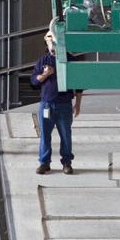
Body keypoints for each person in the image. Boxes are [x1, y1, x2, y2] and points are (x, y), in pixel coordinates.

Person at [29, 31, 82, 175]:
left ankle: (66, 162)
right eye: (50, 44)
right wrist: (46, 74)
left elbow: (79, 83)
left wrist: (77, 104)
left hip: (64, 104)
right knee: (45, 135)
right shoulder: (43, 61)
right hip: (46, 104)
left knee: (65, 135)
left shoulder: (70, 60)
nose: (53, 47)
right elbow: (34, 81)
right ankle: (44, 162)